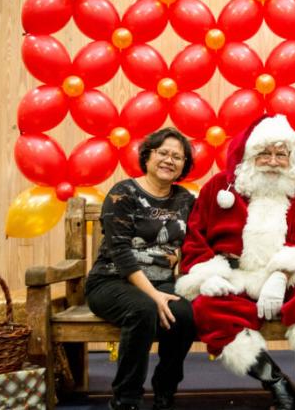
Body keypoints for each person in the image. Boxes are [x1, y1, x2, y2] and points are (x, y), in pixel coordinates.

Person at [175, 115, 295, 410]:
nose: (273, 161)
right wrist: (207, 275)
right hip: (235, 276)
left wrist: (281, 273)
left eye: (281, 154)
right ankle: (276, 382)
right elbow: (196, 238)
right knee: (205, 308)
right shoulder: (219, 188)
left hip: (286, 278)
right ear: (249, 155)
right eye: (265, 153)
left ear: (291, 159)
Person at [85, 128, 197, 410]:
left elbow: (197, 240)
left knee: (185, 312)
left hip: (162, 282)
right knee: (143, 309)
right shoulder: (123, 193)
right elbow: (120, 253)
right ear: (147, 156)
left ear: (184, 165)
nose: (169, 160)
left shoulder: (185, 199)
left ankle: (165, 388)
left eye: (177, 157)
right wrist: (154, 295)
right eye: (163, 153)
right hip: (112, 281)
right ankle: (126, 398)